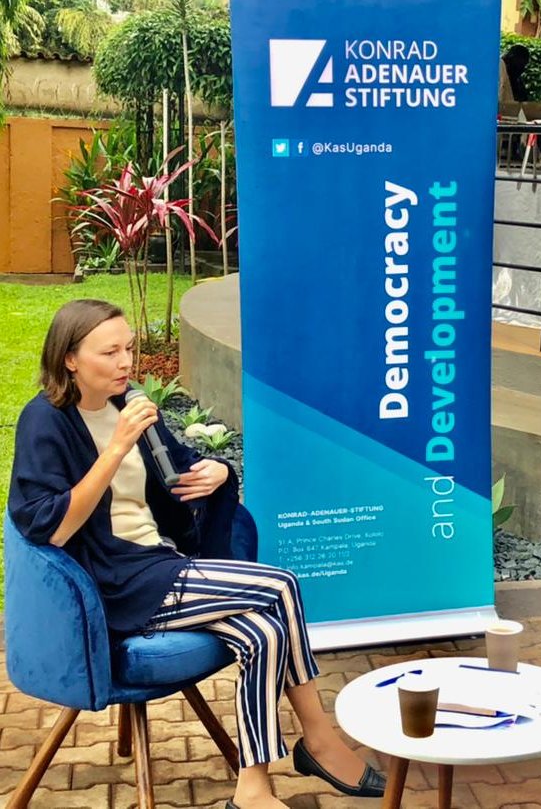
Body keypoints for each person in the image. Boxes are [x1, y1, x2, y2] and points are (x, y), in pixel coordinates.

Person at [8, 299, 386, 809]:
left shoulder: (128, 404)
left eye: (129, 348)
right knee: (281, 586)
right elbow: (50, 527)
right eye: (110, 352)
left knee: (264, 632)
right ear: (70, 359)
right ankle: (318, 739)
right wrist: (115, 448)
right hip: (112, 582)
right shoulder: (45, 421)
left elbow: (181, 466)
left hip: (159, 562)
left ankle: (252, 788)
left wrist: (219, 472)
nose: (126, 362)